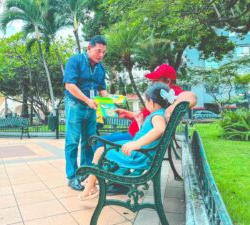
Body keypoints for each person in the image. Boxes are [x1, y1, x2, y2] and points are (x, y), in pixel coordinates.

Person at [92, 64, 197, 194]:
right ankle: (108, 175)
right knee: (104, 142)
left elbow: (191, 96)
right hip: (139, 137)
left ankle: (100, 174)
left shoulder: (170, 95)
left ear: (168, 82)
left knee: (99, 142)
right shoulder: (160, 98)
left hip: (139, 143)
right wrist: (130, 115)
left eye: (155, 81)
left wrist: (172, 106)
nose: (151, 84)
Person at [78, 82, 175, 200]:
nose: (145, 103)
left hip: (137, 156)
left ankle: (91, 186)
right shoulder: (160, 114)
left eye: (146, 101)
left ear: (152, 102)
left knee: (99, 151)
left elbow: (160, 130)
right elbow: (149, 134)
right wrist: (140, 124)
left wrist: (136, 143)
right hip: (142, 153)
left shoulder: (157, 116)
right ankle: (92, 180)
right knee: (103, 149)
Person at [63, 35, 108, 191]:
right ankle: (72, 176)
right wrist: (87, 100)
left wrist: (108, 104)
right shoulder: (75, 61)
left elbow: (102, 89)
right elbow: (70, 85)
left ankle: (86, 172)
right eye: (98, 51)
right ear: (89, 48)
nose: (101, 55)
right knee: (72, 141)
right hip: (75, 104)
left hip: (92, 108)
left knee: (89, 141)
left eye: (103, 52)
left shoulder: (101, 68)